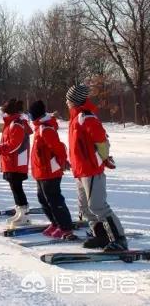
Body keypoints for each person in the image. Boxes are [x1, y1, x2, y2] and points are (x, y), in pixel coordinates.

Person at [66, 84, 127, 251]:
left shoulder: (86, 117)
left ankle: (119, 239)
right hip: (79, 169)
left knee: (98, 205)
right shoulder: (75, 118)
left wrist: (105, 158)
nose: (66, 101)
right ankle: (100, 236)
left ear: (74, 100)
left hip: (91, 168)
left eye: (68, 99)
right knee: (85, 208)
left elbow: (100, 139)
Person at [29, 100, 77, 239]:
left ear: (35, 115)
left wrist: (62, 162)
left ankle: (65, 227)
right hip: (41, 171)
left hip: (50, 171)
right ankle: (55, 223)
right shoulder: (39, 128)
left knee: (54, 199)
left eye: (31, 114)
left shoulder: (45, 129)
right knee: (43, 199)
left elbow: (59, 148)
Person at [0, 99, 33, 228]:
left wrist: (1, 148)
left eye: (5, 112)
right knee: (15, 187)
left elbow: (14, 145)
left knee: (17, 188)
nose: (4, 115)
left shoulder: (15, 124)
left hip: (15, 162)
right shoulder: (12, 123)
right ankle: (20, 212)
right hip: (12, 161)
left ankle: (24, 214)